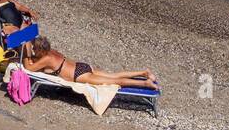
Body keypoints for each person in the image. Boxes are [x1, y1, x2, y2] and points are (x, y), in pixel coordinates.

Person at [21, 35, 158, 89]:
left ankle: (145, 83)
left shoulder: (46, 59)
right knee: (113, 75)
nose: (33, 51)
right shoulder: (52, 52)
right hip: (81, 66)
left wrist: (26, 51)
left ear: (40, 50)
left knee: (116, 82)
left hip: (80, 75)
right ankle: (144, 72)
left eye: (35, 49)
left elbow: (28, 68)